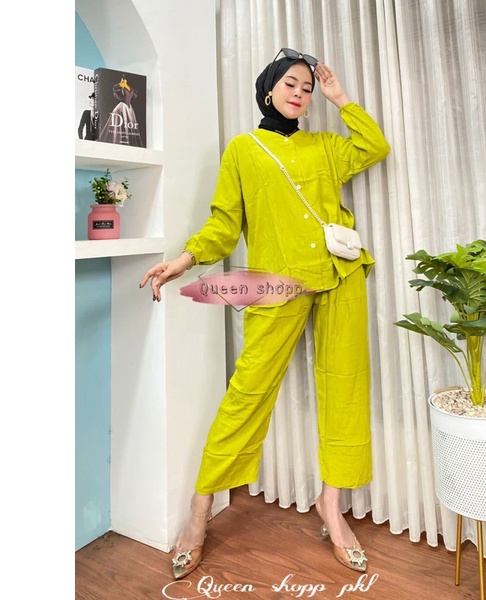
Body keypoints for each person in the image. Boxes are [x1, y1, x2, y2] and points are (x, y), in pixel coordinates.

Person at [139, 47, 390, 580]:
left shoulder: (325, 147)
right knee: (248, 391)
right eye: (290, 84)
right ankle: (200, 510)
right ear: (269, 90)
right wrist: (183, 261)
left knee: (345, 388)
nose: (299, 94)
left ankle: (331, 506)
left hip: (341, 276)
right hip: (278, 286)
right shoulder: (243, 151)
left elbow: (375, 146)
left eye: (307, 88)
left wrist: (340, 97)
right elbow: (223, 224)